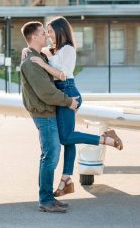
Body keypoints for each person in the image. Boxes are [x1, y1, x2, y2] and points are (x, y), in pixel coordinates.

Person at [22, 16, 123, 198]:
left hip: (68, 92)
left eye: (50, 31)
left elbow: (62, 75)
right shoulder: (53, 50)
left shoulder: (68, 49)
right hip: (62, 94)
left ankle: (106, 138)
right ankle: (66, 180)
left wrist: (44, 64)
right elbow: (33, 48)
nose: (48, 34)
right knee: (68, 138)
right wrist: (26, 50)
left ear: (60, 31)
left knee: (66, 136)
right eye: (45, 32)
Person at [20, 21, 79, 213]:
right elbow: (46, 92)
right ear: (34, 37)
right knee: (50, 156)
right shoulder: (31, 61)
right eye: (42, 33)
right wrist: (68, 101)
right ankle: (45, 200)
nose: (46, 35)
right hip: (44, 114)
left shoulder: (36, 56)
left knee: (50, 155)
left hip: (48, 112)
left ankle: (47, 197)